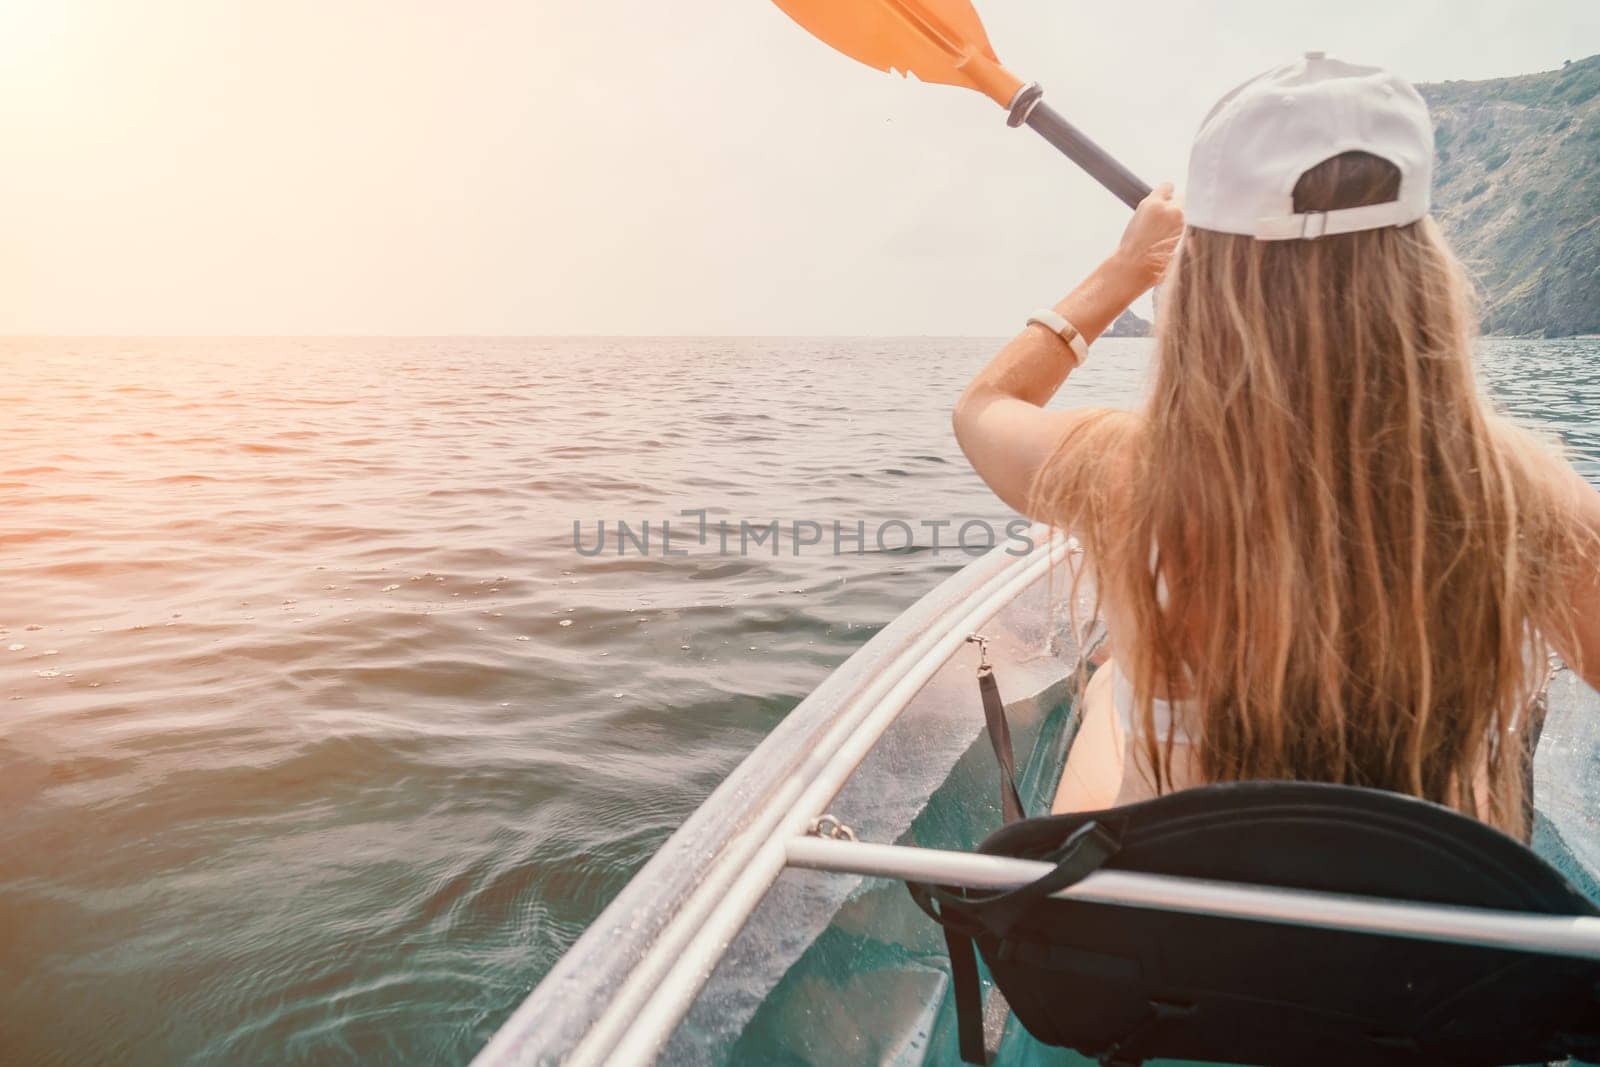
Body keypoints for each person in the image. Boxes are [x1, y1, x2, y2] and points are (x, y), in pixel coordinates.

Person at [951, 53, 1600, 838]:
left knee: (1112, 684)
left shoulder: (1128, 474)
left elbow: (985, 407)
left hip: (1172, 950)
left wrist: (1125, 269)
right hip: (1436, 957)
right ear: (1422, 276)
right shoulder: (1523, 498)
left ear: (1207, 285)